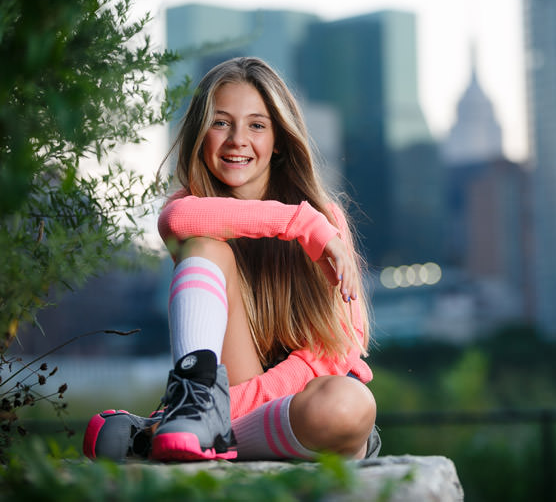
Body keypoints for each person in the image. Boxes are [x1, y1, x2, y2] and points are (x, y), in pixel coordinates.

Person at [82, 57, 378, 462]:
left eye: (257, 125)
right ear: (200, 135)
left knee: (349, 404)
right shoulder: (195, 215)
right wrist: (298, 222)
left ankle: (163, 436)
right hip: (225, 402)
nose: (238, 139)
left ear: (279, 141)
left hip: (304, 413)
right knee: (205, 247)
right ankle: (195, 411)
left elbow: (338, 353)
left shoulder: (326, 220)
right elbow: (178, 218)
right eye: (221, 122)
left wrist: (208, 412)